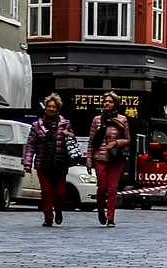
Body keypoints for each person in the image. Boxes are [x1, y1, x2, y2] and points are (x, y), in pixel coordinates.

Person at [23, 93, 77, 226]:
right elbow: (31, 145)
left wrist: (68, 135)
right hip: (43, 164)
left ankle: (58, 210)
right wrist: (28, 163)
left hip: (60, 164)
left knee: (59, 193)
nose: (51, 109)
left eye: (54, 107)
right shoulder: (37, 126)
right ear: (45, 108)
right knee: (46, 192)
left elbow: (73, 142)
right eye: (49, 106)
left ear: (58, 108)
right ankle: (48, 217)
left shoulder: (65, 124)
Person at [87, 92, 131, 227]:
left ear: (115, 104)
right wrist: (89, 160)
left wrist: (117, 142)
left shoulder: (122, 120)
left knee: (112, 189)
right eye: (105, 101)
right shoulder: (97, 120)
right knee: (102, 188)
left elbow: (128, 140)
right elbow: (91, 141)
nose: (107, 103)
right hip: (100, 158)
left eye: (110, 102)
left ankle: (110, 217)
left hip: (115, 158)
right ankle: (101, 209)